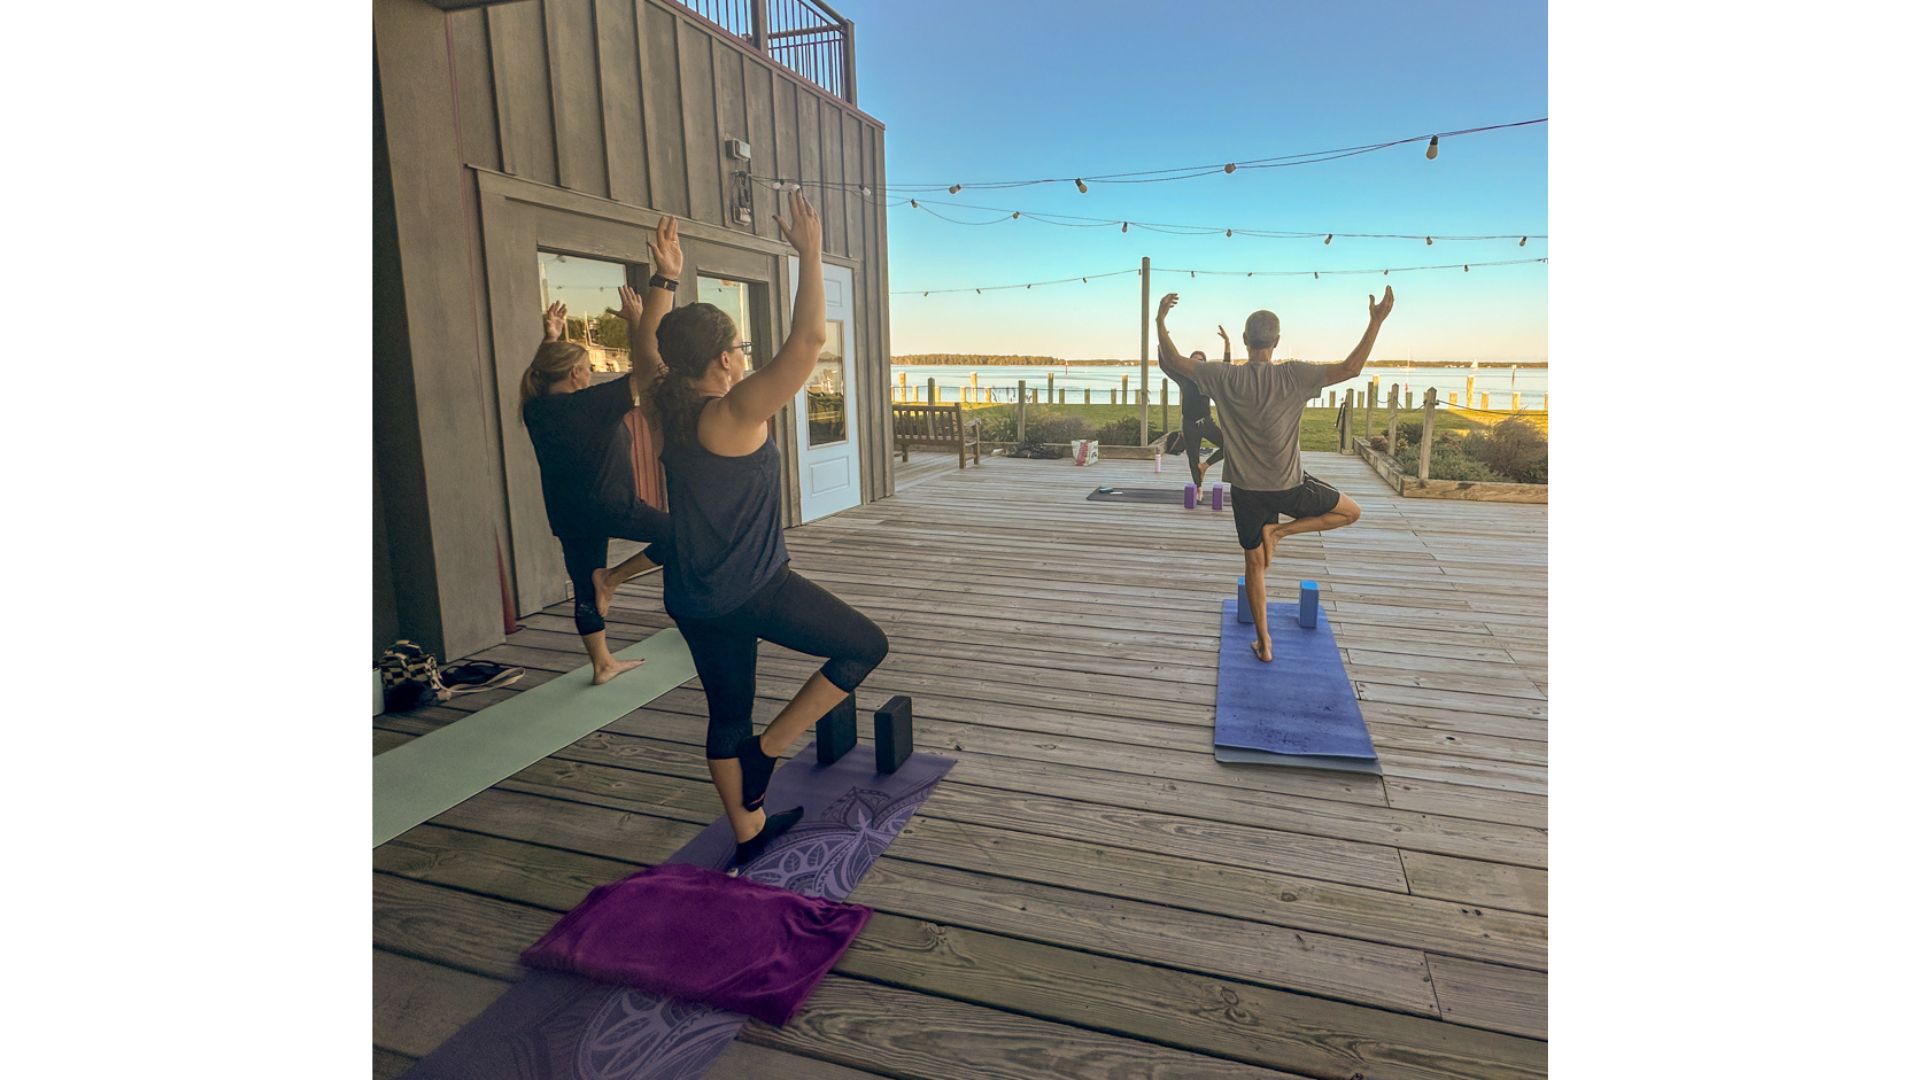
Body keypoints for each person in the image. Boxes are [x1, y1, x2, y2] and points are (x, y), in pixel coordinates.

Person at [651, 189, 890, 868]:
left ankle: (749, 834)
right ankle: (768, 753)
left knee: (726, 713)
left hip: (693, 595)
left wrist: (665, 280)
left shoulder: (666, 402)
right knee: (864, 646)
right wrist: (810, 253)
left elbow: (655, 345)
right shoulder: (731, 412)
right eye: (739, 346)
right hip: (753, 588)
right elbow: (808, 342)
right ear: (723, 360)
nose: (744, 355)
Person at [1157, 287, 1393, 663]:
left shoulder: (1222, 377)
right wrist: (1376, 321)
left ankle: (1264, 643)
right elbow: (1352, 368)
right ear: (1277, 341)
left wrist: (1160, 320)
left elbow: (1173, 360)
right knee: (1351, 512)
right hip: (1288, 486)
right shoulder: (1294, 374)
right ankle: (1280, 532)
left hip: (1246, 490)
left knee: (1254, 565)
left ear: (1245, 339)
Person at [518, 216, 685, 685]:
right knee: (684, 536)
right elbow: (650, 371)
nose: (591, 372)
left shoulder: (536, 408)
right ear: (576, 375)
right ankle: (614, 579)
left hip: (569, 514)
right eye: (587, 366)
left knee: (582, 583)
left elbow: (544, 372)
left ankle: (602, 664)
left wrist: (552, 338)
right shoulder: (589, 405)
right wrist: (653, 298)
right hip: (612, 505)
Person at [1158, 324, 1233, 486]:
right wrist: (1161, 344)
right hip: (1189, 424)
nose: (1197, 362)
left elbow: (1226, 368)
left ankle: (1205, 466)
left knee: (1229, 446)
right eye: (1194, 360)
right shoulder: (1183, 378)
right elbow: (1165, 365)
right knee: (1193, 459)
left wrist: (1227, 343)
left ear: (1204, 363)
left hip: (1206, 422)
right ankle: (1198, 489)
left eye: (1200, 360)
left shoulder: (1210, 380)